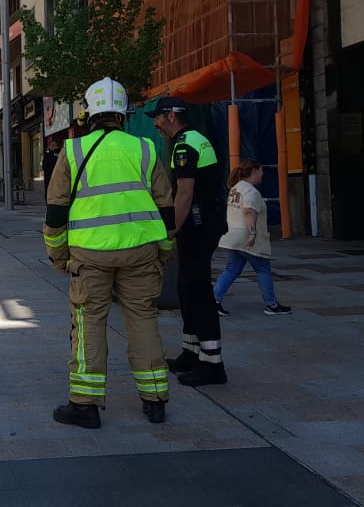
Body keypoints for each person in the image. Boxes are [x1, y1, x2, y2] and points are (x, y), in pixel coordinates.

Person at [44, 78, 176, 429]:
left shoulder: (72, 152)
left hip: (90, 257)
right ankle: (155, 401)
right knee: (144, 320)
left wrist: (58, 256)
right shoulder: (146, 148)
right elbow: (165, 208)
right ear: (123, 113)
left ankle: (85, 406)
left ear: (88, 112)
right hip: (141, 252)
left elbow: (56, 210)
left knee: (88, 325)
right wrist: (164, 251)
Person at [148, 96, 229, 387]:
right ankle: (191, 352)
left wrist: (171, 230)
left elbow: (184, 193)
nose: (155, 123)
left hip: (197, 225)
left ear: (171, 116)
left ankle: (212, 363)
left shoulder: (184, 145)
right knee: (185, 288)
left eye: (157, 116)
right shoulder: (197, 139)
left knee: (198, 292)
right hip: (206, 222)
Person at [214, 159, 292, 316]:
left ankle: (214, 300)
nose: (262, 174)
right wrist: (253, 233)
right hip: (246, 236)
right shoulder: (251, 192)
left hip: (231, 236)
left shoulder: (235, 188)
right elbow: (249, 212)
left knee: (231, 269)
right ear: (254, 171)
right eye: (261, 170)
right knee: (263, 269)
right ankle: (271, 304)